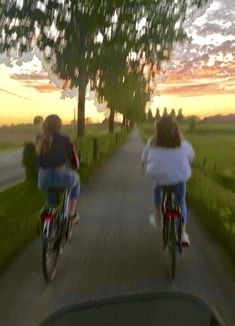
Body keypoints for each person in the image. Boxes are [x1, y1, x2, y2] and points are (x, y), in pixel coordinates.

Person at [141, 116, 195, 245]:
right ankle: (183, 234)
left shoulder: (152, 142)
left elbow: (144, 159)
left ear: (158, 130)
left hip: (160, 179)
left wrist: (145, 167)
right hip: (179, 179)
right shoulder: (183, 143)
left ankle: (157, 215)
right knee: (181, 201)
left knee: (157, 187)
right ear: (175, 128)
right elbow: (192, 158)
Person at [36, 114, 80, 223]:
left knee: (52, 204)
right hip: (61, 177)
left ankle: (49, 223)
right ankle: (71, 214)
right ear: (60, 126)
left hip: (43, 179)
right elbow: (75, 164)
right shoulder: (65, 139)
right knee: (76, 180)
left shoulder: (39, 138)